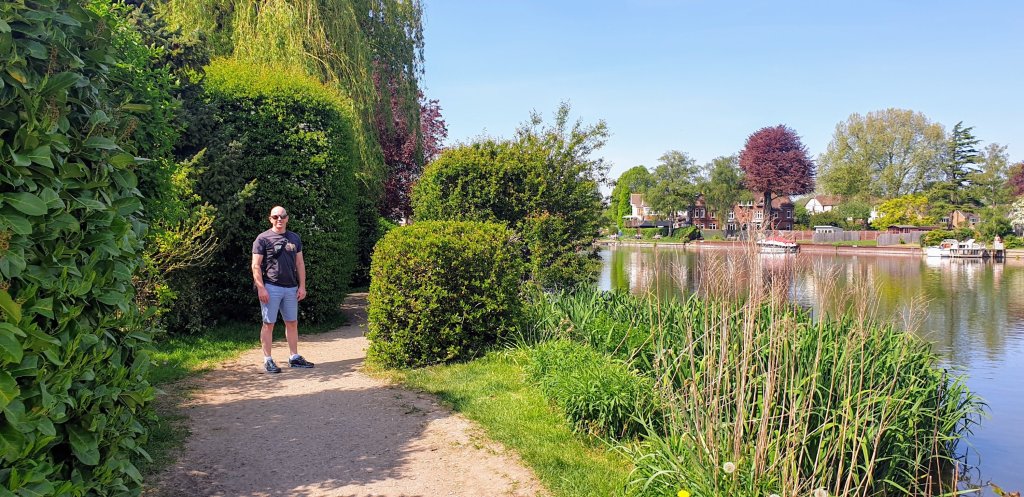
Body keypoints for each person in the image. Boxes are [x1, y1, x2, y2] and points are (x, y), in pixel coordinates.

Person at [252, 206, 314, 373]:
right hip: (271, 287)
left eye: (282, 216)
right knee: (268, 324)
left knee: (292, 322)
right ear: (270, 219)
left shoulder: (294, 238)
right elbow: (255, 265)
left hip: (291, 288)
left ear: (287, 218)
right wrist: (261, 288)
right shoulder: (262, 238)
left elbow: (299, 263)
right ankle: (268, 360)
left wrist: (302, 286)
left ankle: (294, 357)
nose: (279, 219)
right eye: (275, 216)